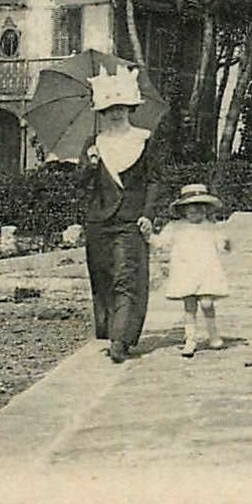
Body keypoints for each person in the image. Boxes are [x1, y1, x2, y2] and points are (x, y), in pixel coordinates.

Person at [79, 65, 165, 364]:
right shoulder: (93, 144)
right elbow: (79, 184)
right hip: (98, 222)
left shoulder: (144, 139)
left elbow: (154, 179)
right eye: (109, 108)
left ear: (130, 108)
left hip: (130, 221)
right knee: (104, 278)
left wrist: (149, 214)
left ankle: (121, 338)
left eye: (121, 107)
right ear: (101, 111)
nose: (116, 113)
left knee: (127, 278)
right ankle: (114, 331)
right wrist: (90, 165)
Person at [155, 184, 232, 358]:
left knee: (206, 303)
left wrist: (226, 244)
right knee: (189, 306)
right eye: (191, 210)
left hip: (206, 270)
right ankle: (190, 339)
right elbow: (161, 242)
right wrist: (149, 237)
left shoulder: (210, 227)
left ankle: (213, 335)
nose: (195, 214)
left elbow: (222, 245)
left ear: (206, 210)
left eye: (199, 210)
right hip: (186, 271)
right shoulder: (176, 227)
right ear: (183, 211)